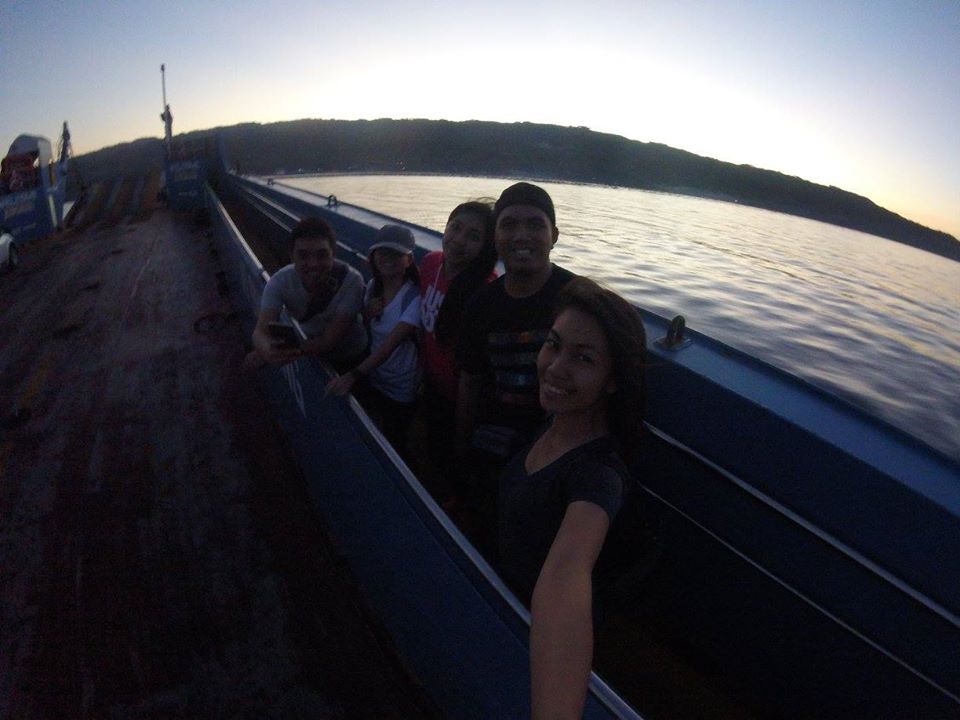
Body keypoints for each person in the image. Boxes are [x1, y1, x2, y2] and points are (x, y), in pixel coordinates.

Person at [497, 276, 647, 720]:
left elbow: (567, 573)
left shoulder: (598, 477)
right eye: (553, 345)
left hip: (530, 637)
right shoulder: (554, 421)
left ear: (613, 380)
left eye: (583, 358)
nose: (556, 367)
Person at [455, 182, 576, 537]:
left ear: (554, 235)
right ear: (495, 237)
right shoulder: (481, 306)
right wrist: (461, 454)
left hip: (559, 447)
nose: (521, 235)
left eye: (535, 225)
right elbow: (470, 381)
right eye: (509, 224)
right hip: (493, 444)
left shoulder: (578, 302)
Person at [418, 200, 497, 492]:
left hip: (464, 403)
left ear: (486, 247)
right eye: (456, 227)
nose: (459, 240)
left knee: (455, 466)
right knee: (433, 453)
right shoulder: (429, 264)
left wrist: (462, 438)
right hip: (431, 386)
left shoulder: (486, 292)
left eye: (474, 237)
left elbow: (473, 377)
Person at [326, 225, 421, 456]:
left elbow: (389, 346)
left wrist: (352, 375)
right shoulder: (371, 288)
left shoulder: (413, 298)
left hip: (400, 386)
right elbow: (366, 330)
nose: (388, 259)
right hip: (375, 375)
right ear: (373, 257)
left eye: (396, 254)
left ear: (408, 260)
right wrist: (367, 314)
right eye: (382, 253)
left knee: (395, 438)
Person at [251, 216, 367, 370]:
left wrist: (280, 353)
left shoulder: (351, 281)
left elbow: (328, 341)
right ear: (291, 256)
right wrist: (266, 349)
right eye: (303, 256)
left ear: (333, 254)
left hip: (351, 356)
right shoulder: (280, 281)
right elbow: (260, 332)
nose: (313, 264)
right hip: (310, 346)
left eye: (322, 255)